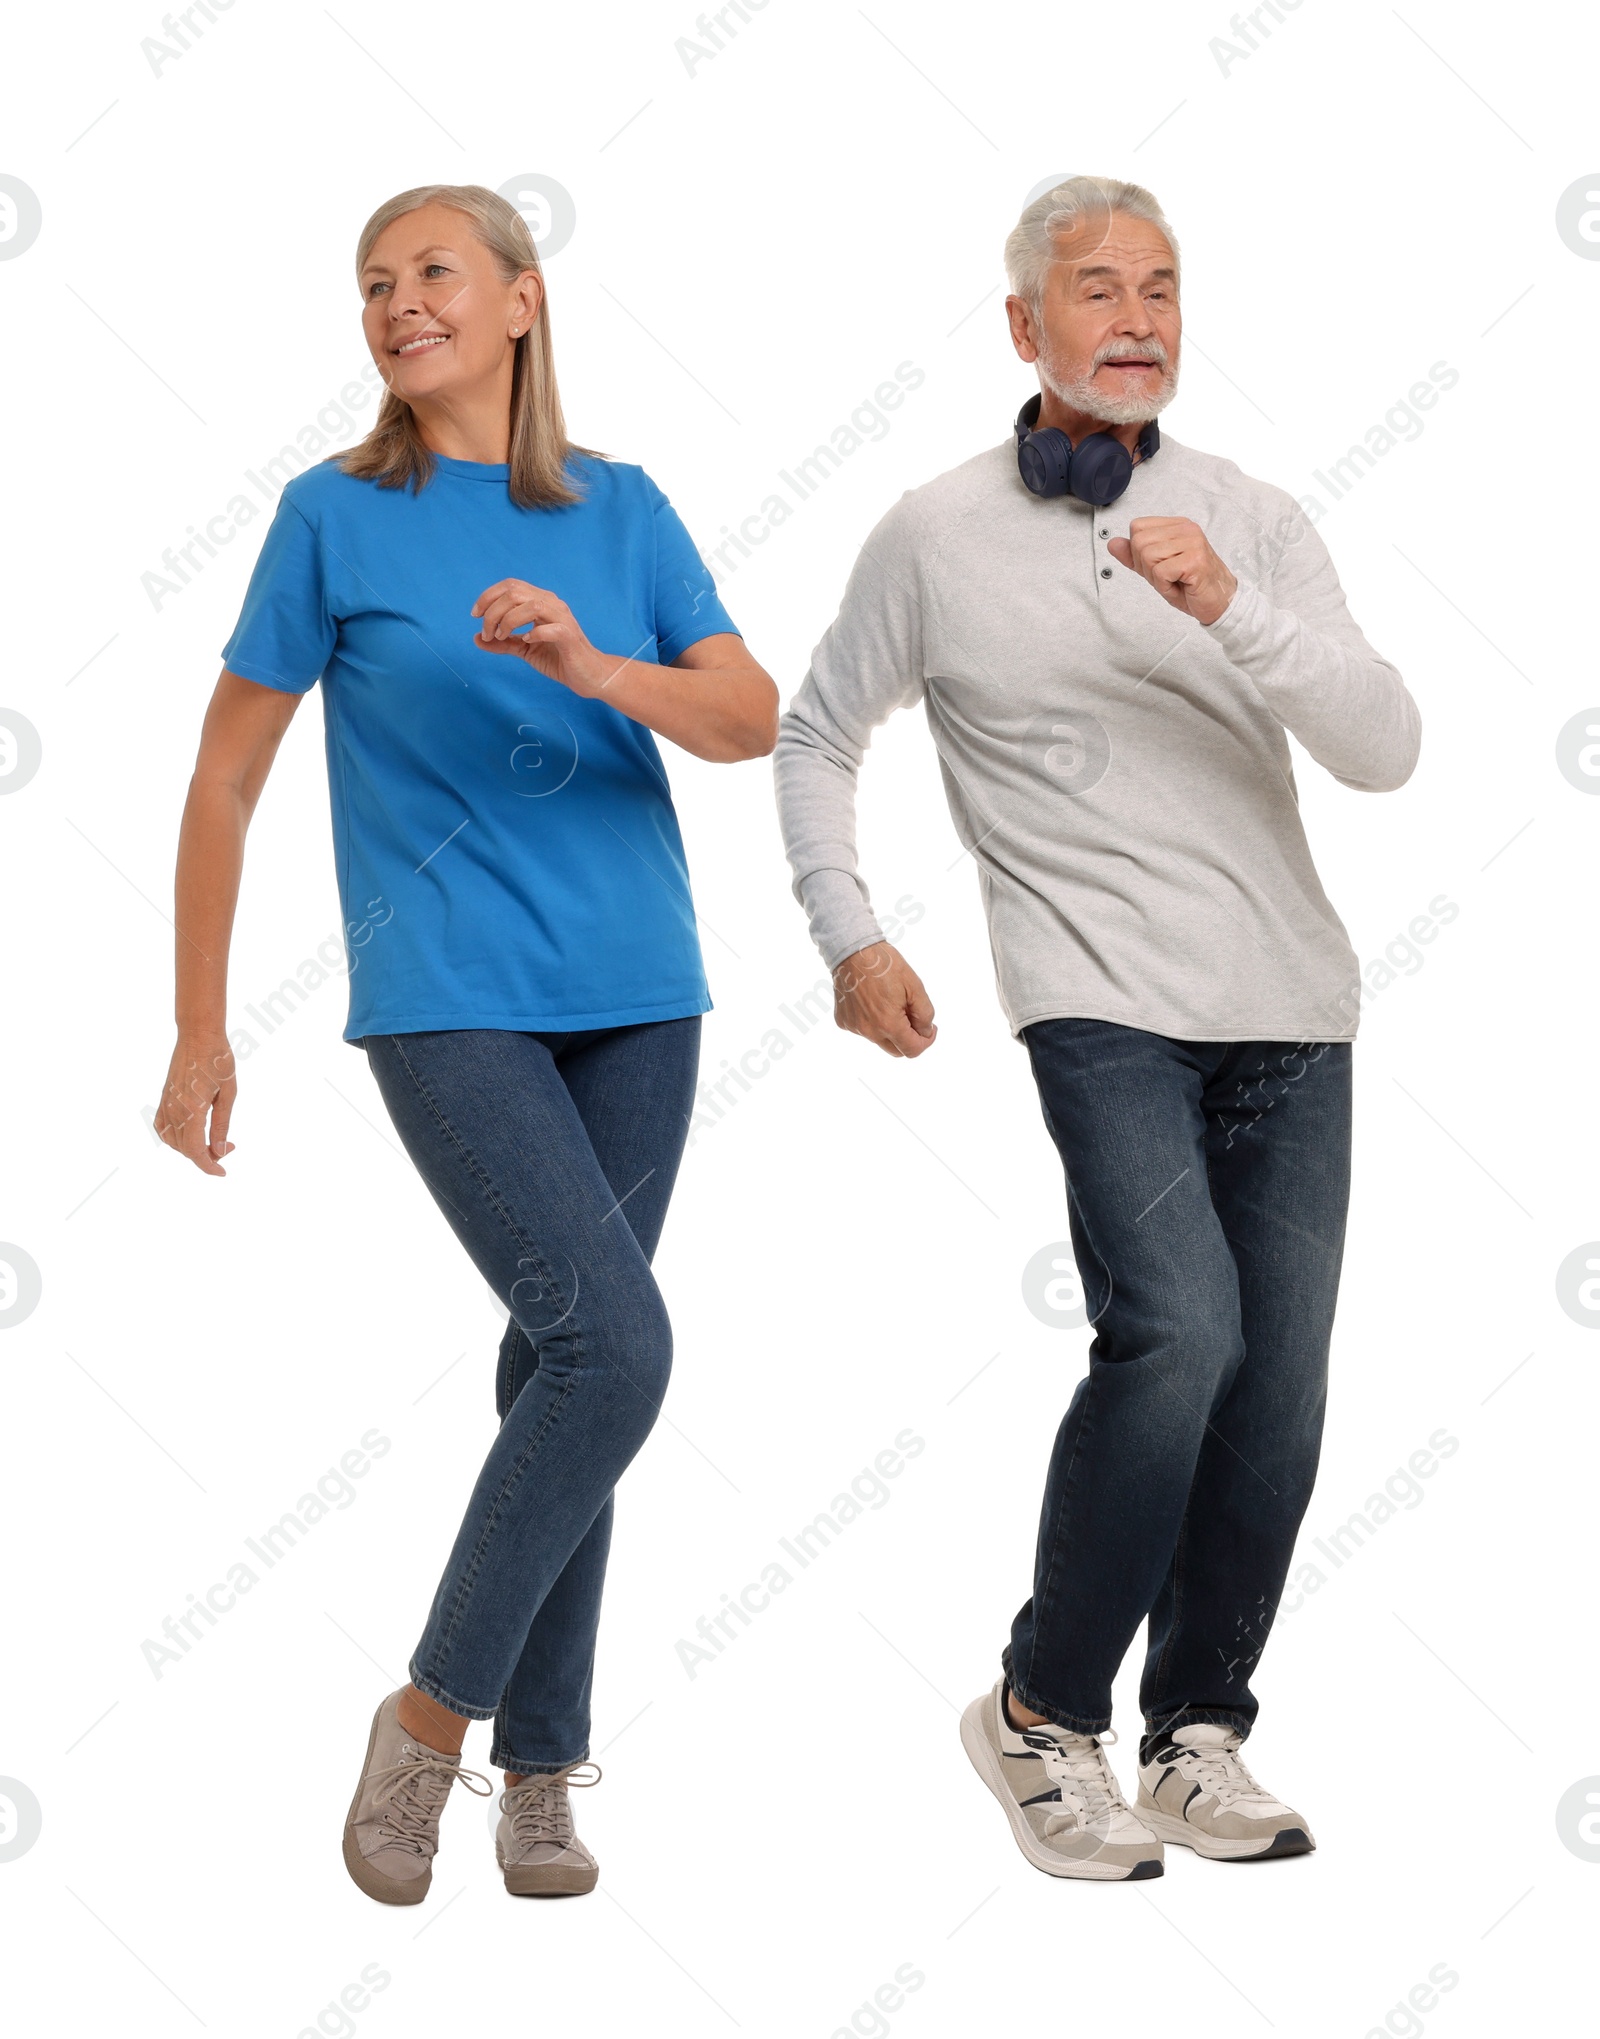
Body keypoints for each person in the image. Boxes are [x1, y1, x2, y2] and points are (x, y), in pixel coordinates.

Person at [773, 175, 1420, 1880]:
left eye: (1162, 287)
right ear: (1024, 327)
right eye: (1096, 290)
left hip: (1291, 1005)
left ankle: (1196, 1730)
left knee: (1277, 1390)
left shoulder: (1253, 518)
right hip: (1095, 999)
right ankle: (1043, 1716)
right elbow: (816, 733)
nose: (1135, 318)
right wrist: (849, 934)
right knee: (1179, 1336)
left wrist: (1230, 608)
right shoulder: (933, 533)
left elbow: (1386, 744)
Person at [156, 182, 777, 1904]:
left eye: (433, 272)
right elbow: (224, 774)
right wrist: (201, 1025)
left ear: (520, 298)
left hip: (638, 989)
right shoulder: (335, 518)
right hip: (446, 997)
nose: (397, 301)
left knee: (564, 1369)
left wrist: (598, 666)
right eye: (372, 283)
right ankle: (429, 1723)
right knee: (618, 1355)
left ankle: (542, 1769)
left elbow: (748, 715)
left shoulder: (625, 511)